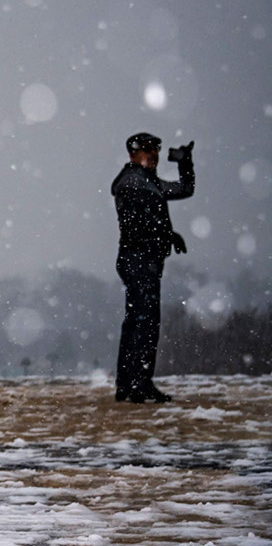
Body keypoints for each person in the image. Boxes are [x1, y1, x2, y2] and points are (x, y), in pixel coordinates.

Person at [111, 132, 195, 404]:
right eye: (148, 150)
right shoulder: (134, 182)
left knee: (138, 322)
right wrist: (166, 234)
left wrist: (185, 163)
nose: (154, 155)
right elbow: (139, 223)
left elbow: (184, 189)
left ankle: (130, 384)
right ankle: (137, 384)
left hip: (143, 259)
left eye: (156, 150)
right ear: (133, 153)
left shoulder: (147, 181)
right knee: (144, 324)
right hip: (138, 259)